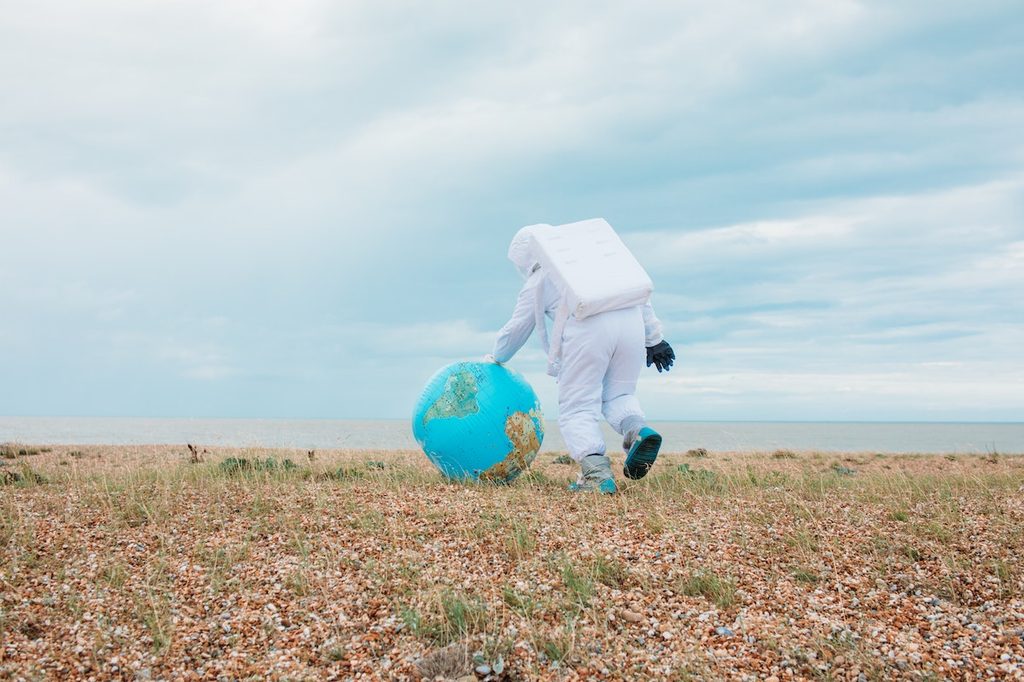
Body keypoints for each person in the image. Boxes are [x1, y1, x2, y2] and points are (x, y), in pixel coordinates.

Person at [487, 225, 675, 493]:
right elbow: (640, 296)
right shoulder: (599, 260)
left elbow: (516, 330)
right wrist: (655, 340)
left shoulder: (540, 279)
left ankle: (597, 476)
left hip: (588, 329)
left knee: (577, 408)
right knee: (620, 395)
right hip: (631, 324)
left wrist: (496, 357)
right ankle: (637, 431)